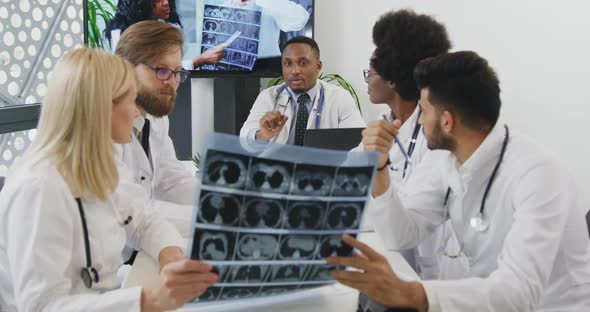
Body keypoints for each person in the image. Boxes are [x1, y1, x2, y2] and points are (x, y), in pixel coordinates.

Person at [327, 51, 590, 311]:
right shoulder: (446, 159)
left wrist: (411, 293)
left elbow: (520, 292)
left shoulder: (538, 174)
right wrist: (380, 166)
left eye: (424, 111)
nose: (418, 120)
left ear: (447, 121)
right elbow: (402, 234)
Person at [0, 48, 217, 311]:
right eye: (131, 101)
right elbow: (42, 306)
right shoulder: (39, 187)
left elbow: (142, 220)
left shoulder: (98, 163)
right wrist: (148, 301)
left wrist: (170, 254)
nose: (137, 113)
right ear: (102, 108)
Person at [114, 20, 195, 237]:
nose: (172, 82)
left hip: (139, 248)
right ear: (126, 67)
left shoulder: (155, 118)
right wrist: (208, 221)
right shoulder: (104, 125)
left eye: (177, 72)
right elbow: (128, 210)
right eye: (161, 70)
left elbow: (170, 179)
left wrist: (220, 204)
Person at [240, 36, 366, 145]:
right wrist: (263, 135)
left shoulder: (340, 98)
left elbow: (356, 142)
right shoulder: (268, 97)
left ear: (318, 66)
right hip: (279, 169)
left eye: (303, 63)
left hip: (322, 169)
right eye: (288, 64)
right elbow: (245, 140)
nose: (294, 71)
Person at [105, 0, 225, 68]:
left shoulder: (171, 25)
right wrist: (200, 60)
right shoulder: (121, 34)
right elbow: (157, 70)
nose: (166, 3)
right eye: (157, 0)